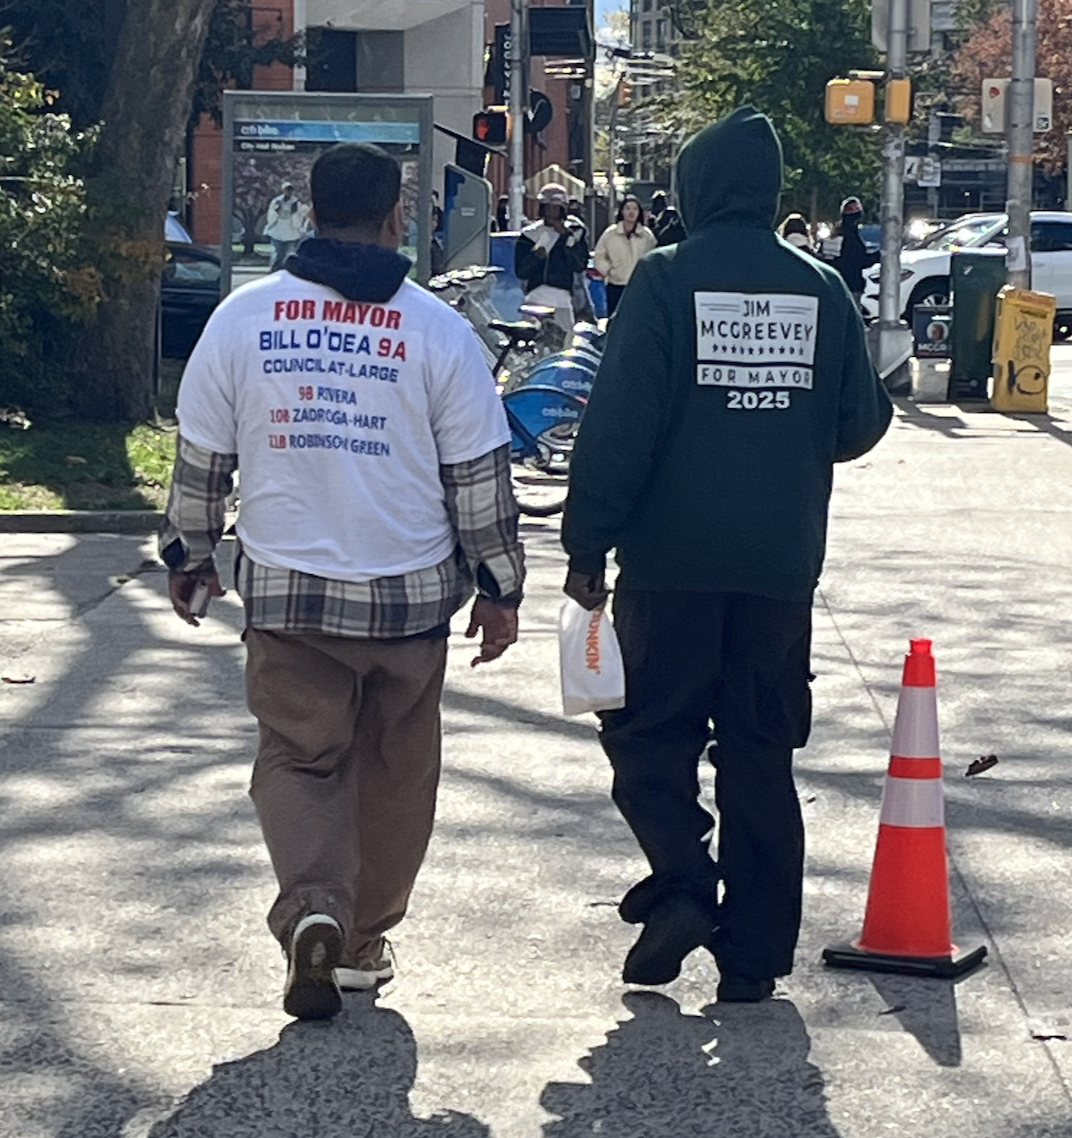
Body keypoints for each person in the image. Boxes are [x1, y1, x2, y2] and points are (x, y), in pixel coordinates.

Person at [159, 142, 525, 1022]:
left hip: (290, 592)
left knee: (297, 756)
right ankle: (360, 943)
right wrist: (500, 587)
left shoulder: (243, 321)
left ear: (309, 212)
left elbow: (202, 462)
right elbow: (478, 480)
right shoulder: (439, 332)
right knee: (397, 771)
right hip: (408, 599)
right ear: (397, 217)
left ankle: (313, 907)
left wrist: (191, 555)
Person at [560, 106, 892, 1002]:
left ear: (694, 188)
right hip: (780, 569)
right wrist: (784, 433)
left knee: (647, 736)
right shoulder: (820, 287)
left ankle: (681, 884)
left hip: (669, 566)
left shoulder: (666, 280)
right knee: (760, 753)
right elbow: (862, 421)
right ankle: (754, 956)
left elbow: (620, 429)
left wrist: (587, 546)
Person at [514, 182, 590, 334]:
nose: (552, 213)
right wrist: (536, 256)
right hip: (535, 297)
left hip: (563, 298)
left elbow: (579, 265)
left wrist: (566, 238)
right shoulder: (529, 234)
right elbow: (521, 271)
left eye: (557, 208)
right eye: (548, 207)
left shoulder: (575, 232)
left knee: (565, 341)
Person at [593, 195, 657, 317]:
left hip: (639, 286)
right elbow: (599, 255)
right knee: (615, 318)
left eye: (635, 208)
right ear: (622, 211)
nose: (631, 212)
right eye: (627, 208)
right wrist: (609, 270)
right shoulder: (610, 234)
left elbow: (653, 257)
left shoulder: (646, 236)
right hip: (615, 285)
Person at [818, 195, 878, 307]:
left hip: (833, 283)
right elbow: (858, 261)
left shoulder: (833, 235)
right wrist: (879, 256)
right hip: (851, 284)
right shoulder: (852, 237)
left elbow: (823, 258)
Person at [263, 182, 310, 270]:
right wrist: (276, 212)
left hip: (292, 233)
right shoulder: (277, 201)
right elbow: (271, 215)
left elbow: (306, 213)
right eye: (287, 190)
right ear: (283, 190)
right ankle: (274, 271)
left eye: (290, 190)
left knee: (289, 256)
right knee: (277, 255)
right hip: (277, 232)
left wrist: (298, 218)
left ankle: (287, 272)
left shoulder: (296, 202)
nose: (289, 192)